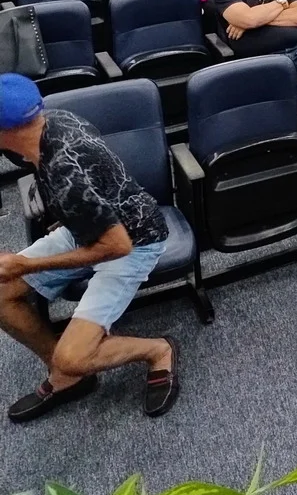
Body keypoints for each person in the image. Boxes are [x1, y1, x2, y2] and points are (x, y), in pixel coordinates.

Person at [0, 74, 179, 422]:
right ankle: (67, 373)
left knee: (73, 353)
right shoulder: (51, 120)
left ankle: (159, 351)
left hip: (134, 242)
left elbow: (117, 247)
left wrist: (25, 265)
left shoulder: (67, 170)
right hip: (85, 227)